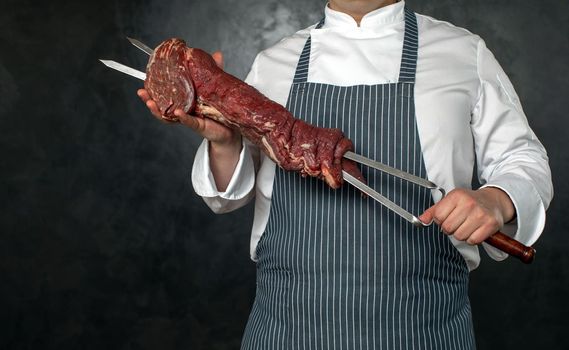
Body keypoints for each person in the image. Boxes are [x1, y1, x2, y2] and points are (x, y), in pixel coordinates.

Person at [138, 0, 553, 348]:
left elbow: (524, 158)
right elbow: (225, 196)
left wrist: (496, 200)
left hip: (425, 332)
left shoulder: (462, 53)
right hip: (287, 333)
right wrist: (223, 142)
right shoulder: (275, 62)